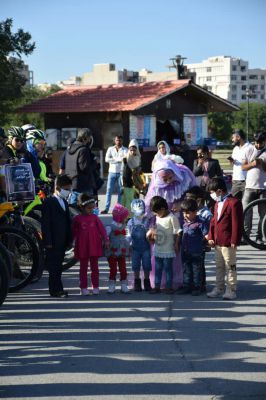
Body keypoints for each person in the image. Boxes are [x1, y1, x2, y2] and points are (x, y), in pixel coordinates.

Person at [206, 177, 243, 300]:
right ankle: (219, 287)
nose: (211, 195)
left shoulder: (234, 203)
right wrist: (211, 236)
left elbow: (237, 223)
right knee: (219, 266)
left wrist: (234, 240)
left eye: (212, 192)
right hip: (217, 242)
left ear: (220, 191)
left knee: (230, 266)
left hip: (228, 242)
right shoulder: (217, 203)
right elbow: (213, 221)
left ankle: (231, 289)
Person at [41, 175, 72, 298]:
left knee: (58, 266)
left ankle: (59, 288)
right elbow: (46, 224)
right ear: (58, 188)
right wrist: (47, 241)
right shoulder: (49, 202)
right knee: (54, 267)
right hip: (53, 241)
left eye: (69, 188)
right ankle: (55, 290)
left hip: (62, 240)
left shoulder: (64, 201)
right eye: (66, 188)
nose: (68, 191)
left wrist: (69, 238)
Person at [72, 194, 109, 295]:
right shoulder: (77, 219)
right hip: (82, 246)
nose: (92, 210)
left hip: (94, 245)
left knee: (95, 268)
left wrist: (106, 240)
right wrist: (72, 242)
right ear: (82, 207)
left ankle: (95, 286)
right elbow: (73, 231)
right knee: (83, 268)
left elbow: (102, 229)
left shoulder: (95, 218)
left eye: (93, 208)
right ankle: (83, 287)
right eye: (89, 208)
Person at [147, 196, 181, 294]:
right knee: (157, 268)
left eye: (157, 212)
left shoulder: (172, 218)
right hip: (158, 248)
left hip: (168, 249)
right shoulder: (157, 217)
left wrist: (177, 244)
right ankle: (157, 286)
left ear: (162, 208)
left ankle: (169, 287)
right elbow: (156, 229)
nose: (156, 214)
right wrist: (152, 235)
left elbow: (178, 232)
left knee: (168, 269)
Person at [177, 198, 209, 296]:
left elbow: (206, 235)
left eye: (187, 213)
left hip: (196, 251)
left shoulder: (200, 222)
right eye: (183, 213)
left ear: (195, 212)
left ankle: (197, 287)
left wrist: (207, 243)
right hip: (185, 251)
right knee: (186, 269)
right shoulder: (184, 222)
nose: (185, 215)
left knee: (197, 270)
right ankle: (187, 286)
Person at [185, 186, 213, 291]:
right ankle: (190, 284)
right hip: (190, 245)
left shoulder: (206, 214)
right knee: (190, 266)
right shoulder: (188, 212)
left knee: (199, 266)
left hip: (199, 245)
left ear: (198, 200)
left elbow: (208, 231)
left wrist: (207, 243)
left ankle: (201, 285)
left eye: (189, 199)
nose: (187, 201)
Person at [241, 132, 266, 244]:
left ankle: (259, 236)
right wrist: (252, 164)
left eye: (261, 142)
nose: (258, 144)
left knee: (263, 214)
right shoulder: (249, 149)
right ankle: (246, 236)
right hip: (250, 186)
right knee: (246, 211)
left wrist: (262, 163)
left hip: (263, 187)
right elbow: (243, 166)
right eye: (256, 142)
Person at [126, 199, 151, 292]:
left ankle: (147, 282)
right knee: (135, 265)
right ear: (133, 211)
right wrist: (128, 244)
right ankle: (137, 282)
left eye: (141, 212)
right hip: (135, 248)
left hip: (146, 247)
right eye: (138, 213)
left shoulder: (147, 221)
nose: (140, 215)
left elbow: (150, 233)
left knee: (146, 264)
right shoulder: (130, 222)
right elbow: (128, 234)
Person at [105, 203, 130, 293]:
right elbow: (105, 237)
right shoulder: (110, 227)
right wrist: (107, 242)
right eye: (125, 217)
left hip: (121, 251)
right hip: (112, 252)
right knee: (113, 269)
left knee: (123, 268)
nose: (126, 218)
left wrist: (128, 246)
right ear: (119, 217)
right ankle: (111, 285)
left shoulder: (123, 226)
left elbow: (124, 238)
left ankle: (124, 285)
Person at [64, 128, 96, 195]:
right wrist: (94, 162)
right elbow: (84, 168)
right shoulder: (83, 150)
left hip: (71, 183)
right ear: (86, 137)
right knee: (87, 205)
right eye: (89, 137)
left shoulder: (69, 149)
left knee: (73, 205)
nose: (90, 140)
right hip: (83, 185)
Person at [101, 135, 128, 214]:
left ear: (122, 141)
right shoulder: (110, 149)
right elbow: (106, 159)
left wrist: (112, 159)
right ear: (114, 141)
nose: (118, 142)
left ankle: (118, 209)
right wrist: (118, 160)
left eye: (119, 140)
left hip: (121, 172)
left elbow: (125, 160)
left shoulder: (125, 150)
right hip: (111, 172)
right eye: (117, 140)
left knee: (120, 191)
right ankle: (106, 208)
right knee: (109, 190)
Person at [229, 129, 253, 200]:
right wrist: (232, 162)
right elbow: (233, 165)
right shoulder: (235, 149)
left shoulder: (250, 148)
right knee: (234, 204)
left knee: (246, 206)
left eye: (233, 138)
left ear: (238, 137)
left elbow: (253, 164)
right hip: (235, 181)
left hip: (246, 181)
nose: (232, 140)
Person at [121, 139, 141, 214]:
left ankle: (135, 216)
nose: (132, 151)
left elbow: (139, 170)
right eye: (131, 150)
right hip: (127, 182)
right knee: (128, 200)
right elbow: (123, 171)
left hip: (136, 182)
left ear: (137, 149)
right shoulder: (125, 158)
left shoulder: (138, 157)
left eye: (134, 150)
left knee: (135, 199)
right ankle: (128, 216)